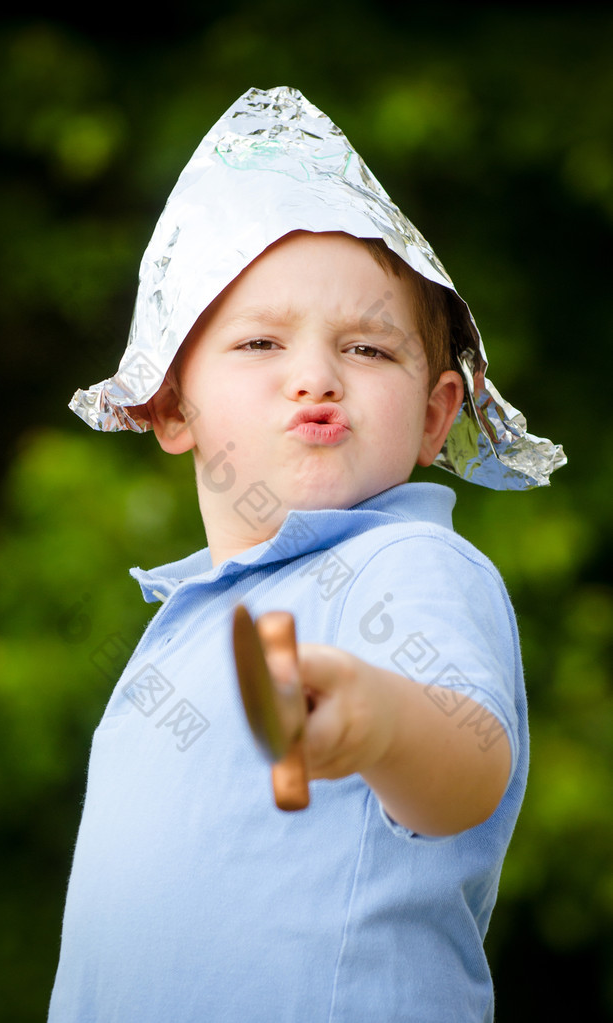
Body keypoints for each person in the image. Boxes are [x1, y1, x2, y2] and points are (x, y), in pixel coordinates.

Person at [48, 87, 564, 1022]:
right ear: (170, 403)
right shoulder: (181, 624)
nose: (316, 375)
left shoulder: (406, 562)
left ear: (437, 413)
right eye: (259, 342)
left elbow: (474, 763)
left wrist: (378, 723)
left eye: (367, 348)